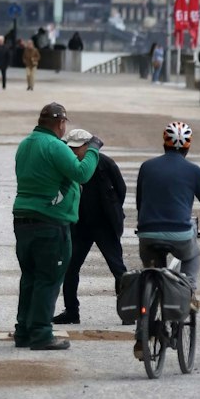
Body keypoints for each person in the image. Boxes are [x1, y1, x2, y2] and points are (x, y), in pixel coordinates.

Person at [13, 102, 100, 351]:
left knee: (30, 276)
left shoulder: (25, 144)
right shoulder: (54, 146)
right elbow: (82, 173)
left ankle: (24, 330)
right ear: (61, 123)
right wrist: (93, 149)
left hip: (22, 220)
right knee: (48, 278)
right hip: (50, 223)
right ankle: (41, 332)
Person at [134, 119, 200, 293]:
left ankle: (149, 294)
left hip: (148, 232)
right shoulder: (195, 171)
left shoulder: (146, 167)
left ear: (164, 143)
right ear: (188, 146)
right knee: (192, 256)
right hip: (180, 235)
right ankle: (188, 293)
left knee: (151, 268)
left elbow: (140, 202)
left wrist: (142, 224)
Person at [56, 127, 128, 325]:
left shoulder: (105, 163)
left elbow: (121, 190)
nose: (72, 152)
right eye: (70, 148)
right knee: (70, 268)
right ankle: (71, 311)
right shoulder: (69, 164)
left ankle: (127, 312)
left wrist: (112, 210)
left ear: (88, 147)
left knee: (118, 268)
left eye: (76, 148)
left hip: (104, 224)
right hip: (80, 225)